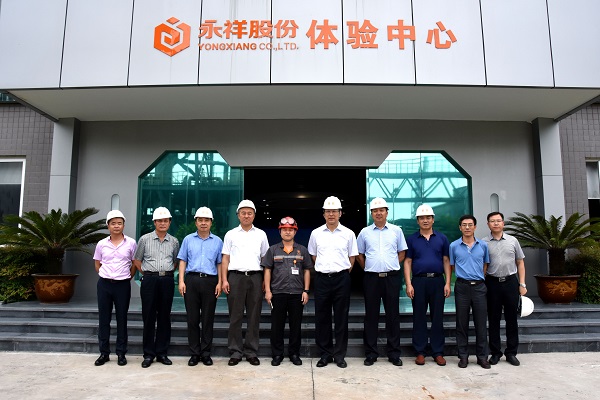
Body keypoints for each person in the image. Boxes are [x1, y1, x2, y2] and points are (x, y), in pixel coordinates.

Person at [308, 196, 358, 368]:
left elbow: (352, 258)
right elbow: (314, 256)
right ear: (323, 214)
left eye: (334, 211)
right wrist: (325, 269)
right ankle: (325, 354)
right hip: (322, 279)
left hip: (342, 279)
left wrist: (341, 272)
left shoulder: (349, 234)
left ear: (340, 213)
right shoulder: (316, 233)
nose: (331, 214)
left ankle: (340, 355)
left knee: (341, 317)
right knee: (322, 317)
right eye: (328, 211)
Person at [357, 197, 407, 367]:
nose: (378, 213)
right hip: (371, 278)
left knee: (392, 316)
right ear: (371, 213)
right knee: (371, 316)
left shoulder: (396, 231)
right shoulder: (364, 232)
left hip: (391, 278)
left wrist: (391, 265)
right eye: (375, 211)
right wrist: (369, 267)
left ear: (386, 212)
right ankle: (371, 353)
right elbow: (359, 254)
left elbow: (402, 253)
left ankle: (394, 353)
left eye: (381, 210)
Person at [221, 199, 269, 366]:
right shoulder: (231, 234)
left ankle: (251, 351)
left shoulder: (261, 234)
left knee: (254, 316)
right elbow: (225, 258)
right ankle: (235, 351)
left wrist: (265, 280)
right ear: (238, 215)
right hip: (235, 277)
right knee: (235, 316)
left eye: (249, 213)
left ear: (254, 215)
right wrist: (224, 279)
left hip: (256, 277)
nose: (246, 216)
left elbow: (265, 259)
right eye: (243, 213)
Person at [404, 204, 451, 366]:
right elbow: (407, 262)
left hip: (437, 281)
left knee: (437, 317)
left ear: (433, 219)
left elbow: (446, 261)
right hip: (418, 281)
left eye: (428, 218)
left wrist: (447, 282)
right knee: (419, 317)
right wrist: (408, 284)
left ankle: (438, 352)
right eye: (422, 218)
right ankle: (420, 351)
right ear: (418, 221)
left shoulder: (442, 238)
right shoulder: (411, 239)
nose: (425, 220)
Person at [262, 216, 312, 366]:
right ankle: (277, 354)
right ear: (280, 232)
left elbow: (307, 271)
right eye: (284, 230)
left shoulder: (302, 250)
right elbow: (267, 270)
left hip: (297, 293)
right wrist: (268, 291)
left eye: (291, 229)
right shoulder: (273, 250)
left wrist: (306, 290)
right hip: (278, 293)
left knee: (295, 326)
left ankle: (294, 354)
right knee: (277, 326)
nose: (288, 232)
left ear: (295, 232)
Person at [134, 207, 180, 368]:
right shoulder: (144, 239)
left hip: (167, 280)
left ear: (169, 222)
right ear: (154, 222)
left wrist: (165, 273)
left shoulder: (174, 241)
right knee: (148, 316)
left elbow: (176, 262)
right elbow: (137, 260)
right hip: (149, 280)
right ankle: (148, 354)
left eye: (165, 220)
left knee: (164, 316)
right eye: (159, 221)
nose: (162, 223)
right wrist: (148, 274)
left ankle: (162, 352)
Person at [178, 206, 223, 367]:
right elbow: (182, 261)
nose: (203, 223)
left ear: (211, 222)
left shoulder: (218, 241)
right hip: (191, 280)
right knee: (192, 319)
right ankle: (194, 353)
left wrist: (220, 282)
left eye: (206, 220)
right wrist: (181, 281)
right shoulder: (188, 240)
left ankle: (206, 353)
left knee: (207, 319)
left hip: (210, 281)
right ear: (196, 222)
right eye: (200, 220)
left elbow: (220, 263)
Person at [482, 211, 527, 367]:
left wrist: (522, 284)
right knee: (493, 319)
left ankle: (511, 353)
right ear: (488, 224)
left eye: (498, 220)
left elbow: (520, 262)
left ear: (503, 223)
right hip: (492, 283)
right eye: (492, 221)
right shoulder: (483, 243)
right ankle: (495, 353)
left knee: (511, 319)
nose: (496, 223)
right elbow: (483, 265)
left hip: (510, 282)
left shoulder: (513, 241)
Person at [93, 210, 137, 366]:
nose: (116, 226)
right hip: (104, 284)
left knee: (122, 319)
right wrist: (106, 275)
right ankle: (104, 353)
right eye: (113, 223)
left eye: (119, 223)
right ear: (108, 226)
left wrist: (127, 276)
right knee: (104, 319)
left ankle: (121, 353)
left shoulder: (131, 243)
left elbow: (135, 263)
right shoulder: (101, 244)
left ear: (124, 225)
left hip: (122, 285)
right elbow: (97, 264)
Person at [449, 214, 490, 369]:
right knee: (461, 323)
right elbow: (452, 266)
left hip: (479, 287)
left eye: (470, 225)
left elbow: (485, 265)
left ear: (475, 227)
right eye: (464, 225)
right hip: (462, 287)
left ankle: (482, 357)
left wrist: (478, 278)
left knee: (481, 323)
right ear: (460, 227)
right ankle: (463, 356)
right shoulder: (454, 246)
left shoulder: (483, 245)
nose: (467, 227)